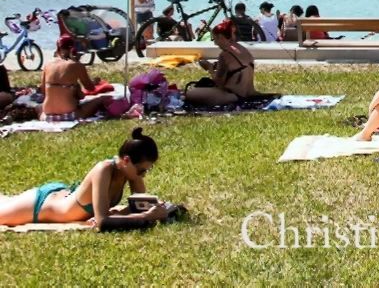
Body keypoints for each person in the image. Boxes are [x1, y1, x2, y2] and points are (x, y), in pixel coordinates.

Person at [0, 127, 170, 230]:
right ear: (126, 160)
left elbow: (139, 206)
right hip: (39, 206)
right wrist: (146, 217)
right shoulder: (103, 169)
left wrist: (158, 209)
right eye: (141, 171)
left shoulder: (129, 172)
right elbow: (103, 222)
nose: (142, 175)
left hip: (61, 195)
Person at [40, 35, 115, 121]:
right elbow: (90, 88)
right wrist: (91, 83)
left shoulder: (47, 64)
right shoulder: (76, 65)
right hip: (70, 113)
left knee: (38, 108)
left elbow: (43, 90)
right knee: (101, 100)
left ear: (58, 49)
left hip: (47, 114)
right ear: (73, 49)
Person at [184, 21, 256, 108]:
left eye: (215, 39)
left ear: (221, 37)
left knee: (190, 93)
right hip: (249, 92)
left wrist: (209, 68)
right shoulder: (242, 49)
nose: (215, 43)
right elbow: (235, 68)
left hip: (234, 95)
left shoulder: (224, 55)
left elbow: (219, 83)